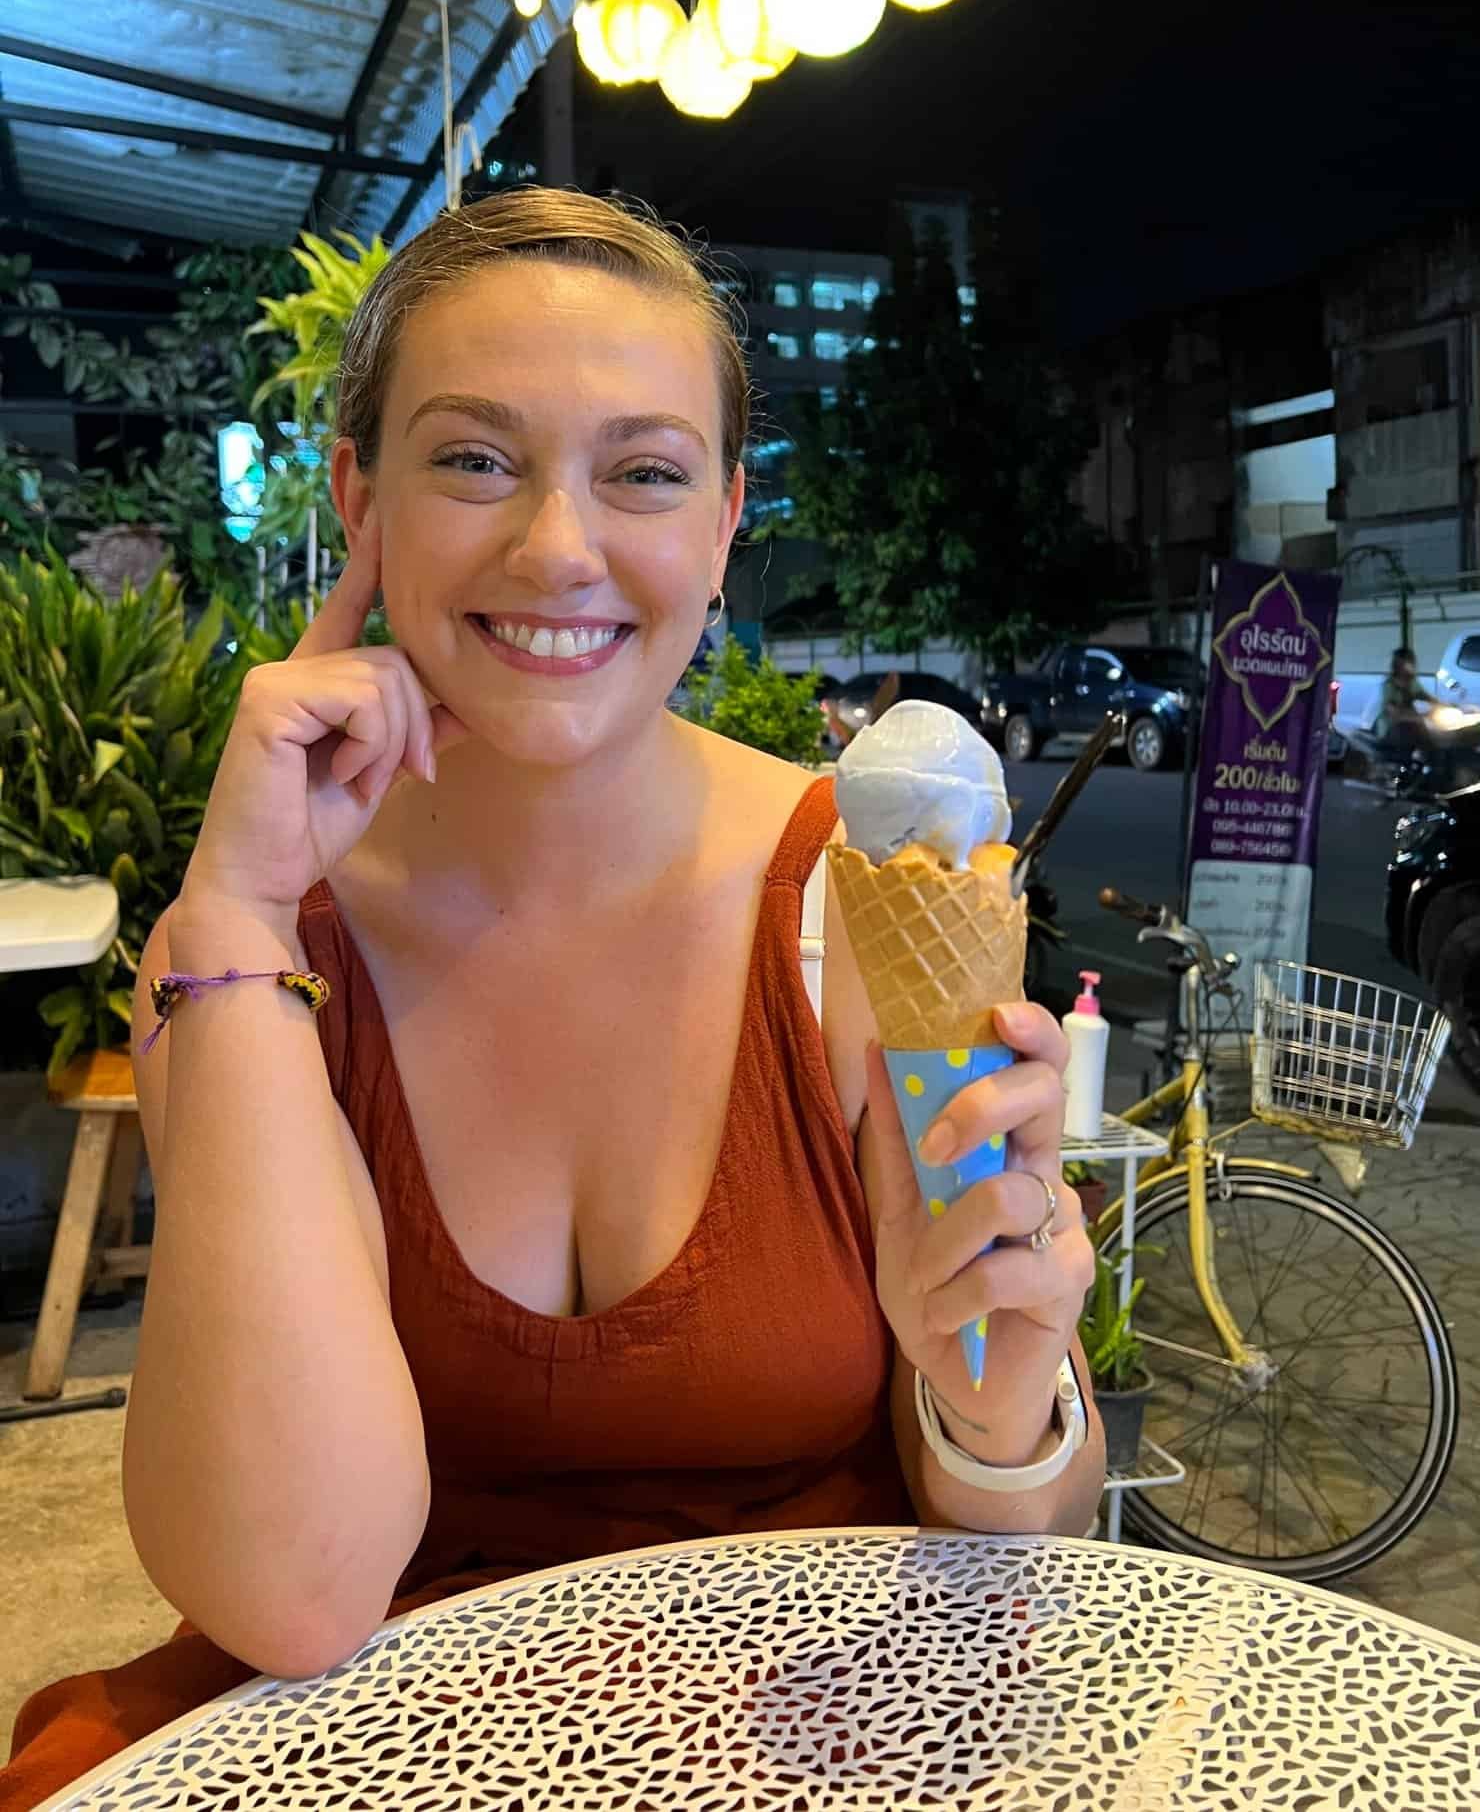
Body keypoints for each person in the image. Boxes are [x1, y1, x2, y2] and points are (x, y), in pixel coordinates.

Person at [2, 189, 1102, 1808]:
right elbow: (290, 1588)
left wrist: (998, 1408)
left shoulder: (850, 906)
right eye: (474, 458)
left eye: (644, 471)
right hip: (397, 1734)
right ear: (358, 495)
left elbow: (1019, 1524)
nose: (559, 547)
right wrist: (234, 909)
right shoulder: (256, 952)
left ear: (726, 516)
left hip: (813, 1719)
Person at [1376, 645, 1440, 770]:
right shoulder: (1389, 685)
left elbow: (1425, 696)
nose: (1411, 664)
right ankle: (1404, 776)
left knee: (1434, 739)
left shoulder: (1412, 682)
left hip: (1412, 723)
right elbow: (1393, 712)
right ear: (1398, 664)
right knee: (1406, 740)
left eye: (1411, 661)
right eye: (1408, 661)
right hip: (1392, 727)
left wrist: (1444, 706)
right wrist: (1418, 716)